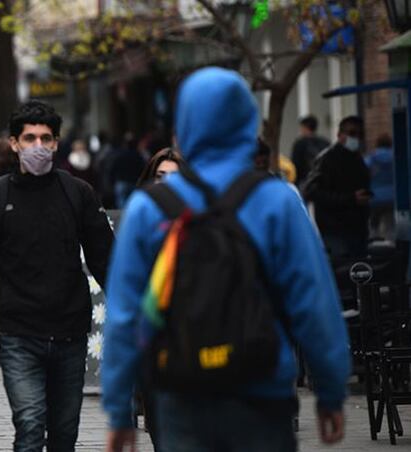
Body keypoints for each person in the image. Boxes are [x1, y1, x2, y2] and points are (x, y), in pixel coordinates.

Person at [103, 67, 351, 451]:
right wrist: (331, 391)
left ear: (182, 124)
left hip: (179, 390)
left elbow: (125, 315)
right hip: (263, 389)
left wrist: (119, 409)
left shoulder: (149, 208)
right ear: (247, 121)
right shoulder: (276, 200)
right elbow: (314, 302)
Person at [0, 100, 114, 452]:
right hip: (18, 333)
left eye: (46, 138)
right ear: (14, 143)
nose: (38, 146)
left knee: (64, 434)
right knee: (29, 425)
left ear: (57, 143)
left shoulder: (78, 193)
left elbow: (106, 261)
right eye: (29, 138)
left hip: (70, 332)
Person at [302, 116, 371, 259]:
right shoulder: (327, 159)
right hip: (335, 229)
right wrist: (350, 199)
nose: (356, 138)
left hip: (357, 228)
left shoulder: (357, 158)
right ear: (340, 135)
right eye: (352, 133)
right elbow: (312, 191)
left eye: (360, 134)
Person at [365, 134, 395, 240]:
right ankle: (392, 245)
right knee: (391, 226)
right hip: (393, 197)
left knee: (373, 225)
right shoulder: (395, 157)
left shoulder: (371, 159)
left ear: (377, 145)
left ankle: (374, 246)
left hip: (374, 197)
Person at [291, 115, 330, 186]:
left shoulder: (300, 144)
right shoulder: (325, 142)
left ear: (305, 127)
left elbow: (295, 165)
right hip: (324, 182)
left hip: (305, 182)